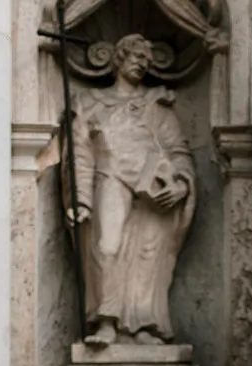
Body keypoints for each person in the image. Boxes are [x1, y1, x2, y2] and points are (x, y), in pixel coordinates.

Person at [65, 34, 196, 346]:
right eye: (136, 57)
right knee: (105, 246)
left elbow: (178, 151)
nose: (142, 64)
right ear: (118, 57)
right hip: (109, 176)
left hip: (153, 188)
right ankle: (106, 322)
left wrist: (181, 184)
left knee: (147, 256)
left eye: (147, 61)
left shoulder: (157, 105)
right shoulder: (89, 103)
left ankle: (143, 327)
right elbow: (78, 153)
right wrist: (80, 198)